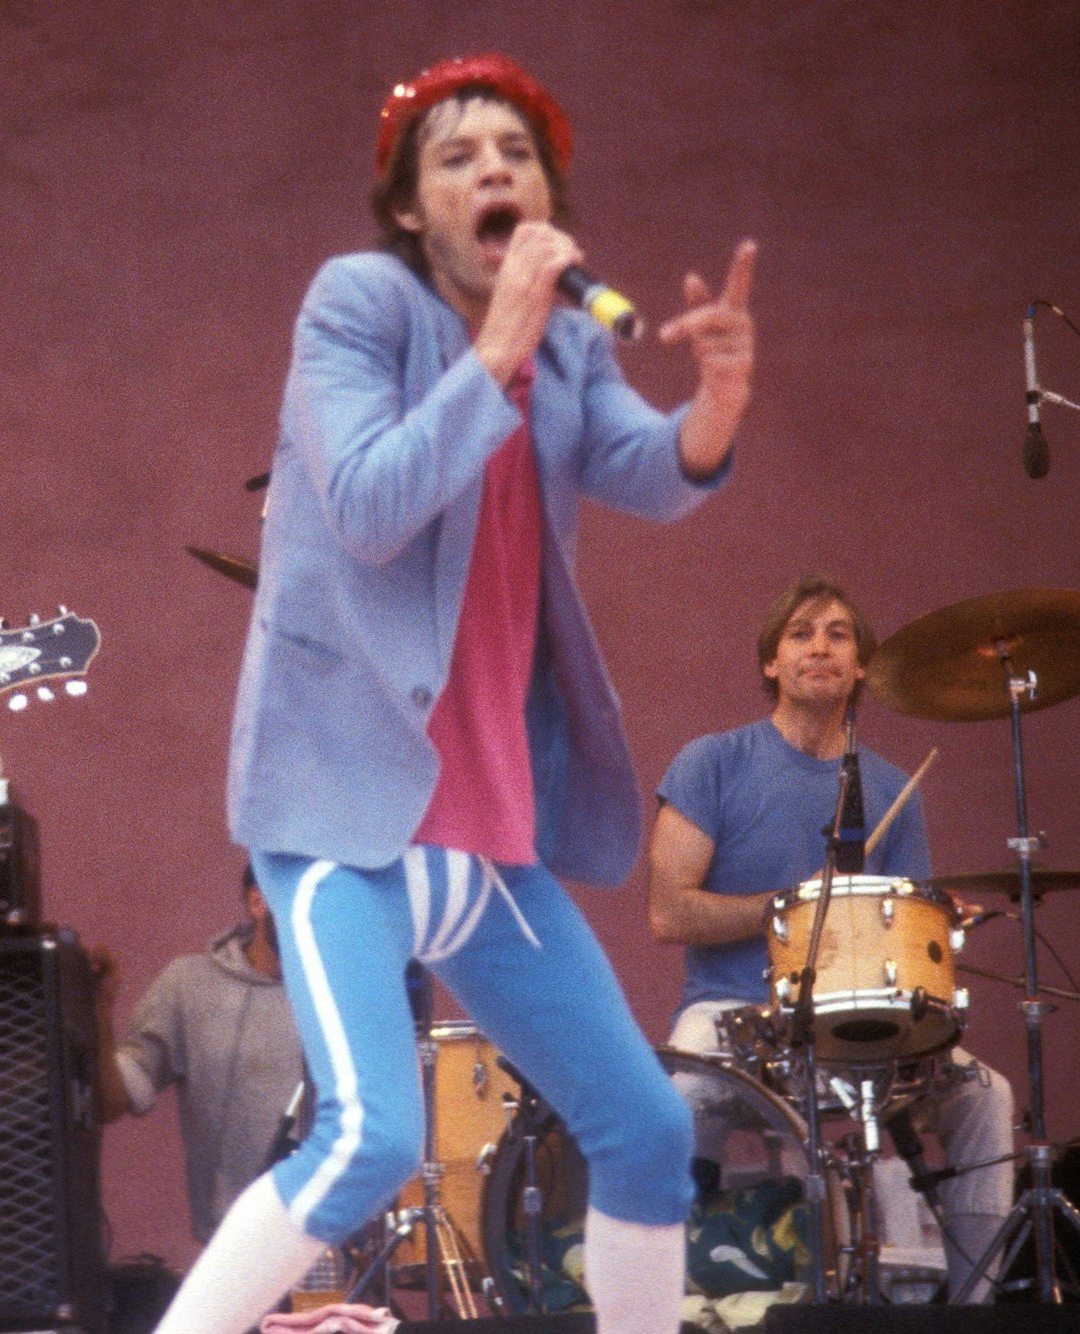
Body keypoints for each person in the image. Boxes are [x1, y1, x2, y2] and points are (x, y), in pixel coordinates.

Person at [154, 53, 759, 1334]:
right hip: (338, 808)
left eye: (515, 153)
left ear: (544, 193)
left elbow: (639, 467)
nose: (492, 168)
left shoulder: (565, 342)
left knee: (646, 1128)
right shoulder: (356, 304)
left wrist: (711, 413)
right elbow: (369, 503)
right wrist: (496, 344)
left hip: (482, 831)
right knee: (372, 1132)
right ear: (408, 210)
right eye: (454, 156)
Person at [647, 575, 1016, 1301]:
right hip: (733, 1010)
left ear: (863, 667)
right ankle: (682, 1293)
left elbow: (905, 933)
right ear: (771, 664)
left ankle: (975, 1307)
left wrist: (941, 926)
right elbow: (669, 914)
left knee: (987, 1095)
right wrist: (793, 910)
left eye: (839, 634)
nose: (820, 646)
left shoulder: (889, 788)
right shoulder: (712, 762)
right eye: (801, 633)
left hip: (855, 1019)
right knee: (683, 1090)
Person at [95, 865, 305, 1245]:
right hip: (235, 1242)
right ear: (259, 902)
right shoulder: (190, 985)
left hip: (337, 1238)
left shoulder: (343, 989)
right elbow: (114, 1100)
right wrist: (98, 1012)